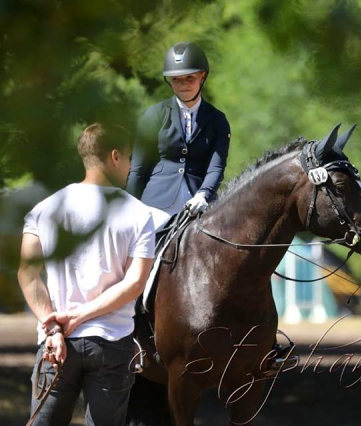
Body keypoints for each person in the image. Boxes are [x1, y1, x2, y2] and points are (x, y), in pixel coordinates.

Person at [17, 123, 156, 426]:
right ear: (115, 156)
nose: (131, 166)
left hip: (56, 344)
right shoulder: (138, 213)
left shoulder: (44, 209)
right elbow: (135, 282)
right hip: (111, 342)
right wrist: (82, 317)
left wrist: (54, 326)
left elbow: (28, 273)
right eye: (130, 157)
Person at [126, 41, 231, 216]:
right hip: (156, 203)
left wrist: (203, 194)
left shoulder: (218, 120)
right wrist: (128, 207)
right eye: (176, 79)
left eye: (189, 78)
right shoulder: (154, 115)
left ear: (202, 76)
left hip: (200, 204)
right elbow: (138, 169)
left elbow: (216, 168)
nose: (183, 85)